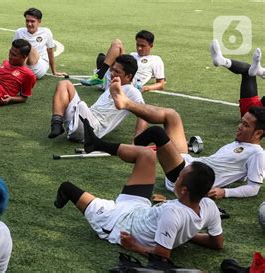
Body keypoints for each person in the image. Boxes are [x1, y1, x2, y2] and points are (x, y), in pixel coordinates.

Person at [54, 119, 223, 258]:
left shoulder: (173, 214)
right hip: (141, 210)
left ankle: (65, 193)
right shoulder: (209, 206)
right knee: (147, 154)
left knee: (67, 187)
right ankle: (97, 144)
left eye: (180, 176)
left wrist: (134, 246)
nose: (176, 177)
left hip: (118, 223)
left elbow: (161, 256)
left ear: (185, 190)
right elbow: (217, 243)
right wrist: (188, 234)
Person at [88, 76, 265, 199]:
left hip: (188, 179)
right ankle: (125, 103)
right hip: (189, 162)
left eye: (246, 125)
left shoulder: (257, 154)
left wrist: (225, 192)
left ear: (258, 134)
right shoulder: (240, 144)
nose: (239, 126)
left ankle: (100, 145)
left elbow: (253, 188)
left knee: (157, 134)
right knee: (172, 116)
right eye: (242, 122)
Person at [48, 54, 147, 142]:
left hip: (92, 129)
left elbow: (144, 113)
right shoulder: (113, 86)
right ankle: (56, 124)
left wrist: (136, 141)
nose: (112, 73)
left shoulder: (131, 90)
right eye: (112, 69)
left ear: (128, 77)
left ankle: (59, 124)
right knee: (63, 84)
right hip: (80, 123)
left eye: (117, 72)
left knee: (72, 92)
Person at [81, 30, 165, 93]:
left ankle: (99, 76)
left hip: (128, 84)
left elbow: (161, 84)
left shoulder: (156, 60)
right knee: (103, 55)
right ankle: (101, 76)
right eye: (138, 45)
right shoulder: (133, 54)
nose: (139, 48)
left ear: (151, 46)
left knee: (117, 44)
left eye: (143, 46)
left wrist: (145, 88)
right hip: (114, 77)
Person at [210, 39, 265, 116]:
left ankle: (261, 72)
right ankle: (223, 61)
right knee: (250, 70)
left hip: (254, 115)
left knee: (251, 71)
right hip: (252, 111)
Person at [13, 7, 66, 79]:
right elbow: (14, 52)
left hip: (39, 66)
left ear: (39, 21)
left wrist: (54, 72)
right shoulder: (19, 32)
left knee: (27, 46)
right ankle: (20, 72)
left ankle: (22, 72)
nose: (29, 24)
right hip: (23, 66)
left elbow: (50, 52)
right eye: (27, 21)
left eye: (32, 21)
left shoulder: (46, 32)